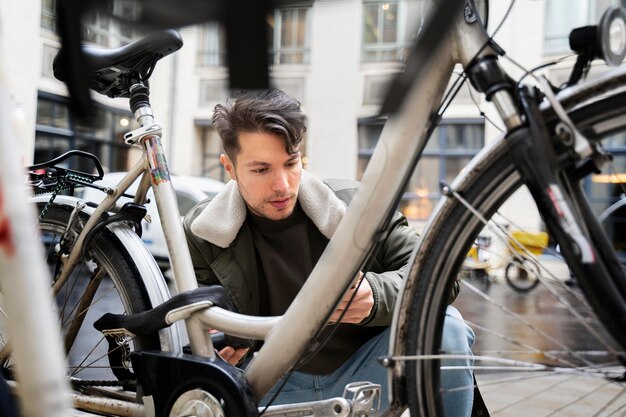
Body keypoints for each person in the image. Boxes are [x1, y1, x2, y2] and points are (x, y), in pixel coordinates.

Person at [183, 89, 475, 416]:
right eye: (261, 170)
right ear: (230, 168)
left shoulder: (357, 205)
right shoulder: (203, 231)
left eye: (291, 163)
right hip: (272, 386)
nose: (282, 185)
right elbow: (206, 323)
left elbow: (441, 273)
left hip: (368, 372)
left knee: (445, 325)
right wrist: (221, 345)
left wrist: (377, 296)